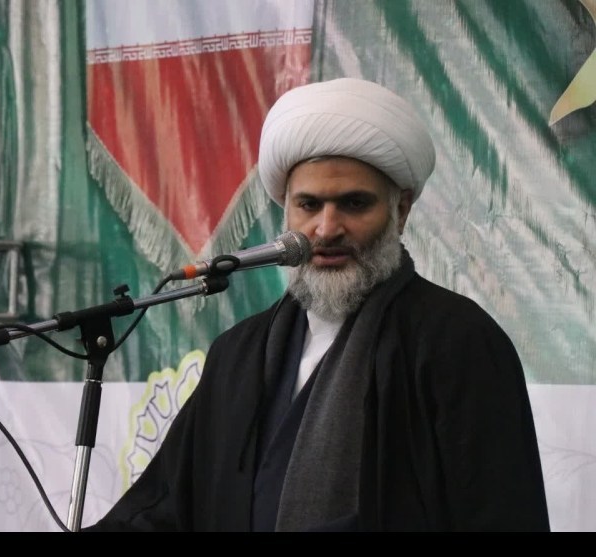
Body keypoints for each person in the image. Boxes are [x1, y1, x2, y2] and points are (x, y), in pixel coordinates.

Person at [85, 78, 550, 532]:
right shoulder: (238, 352)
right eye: (308, 206)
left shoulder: (456, 342)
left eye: (354, 204)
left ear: (401, 211)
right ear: (286, 212)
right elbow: (167, 505)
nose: (327, 229)